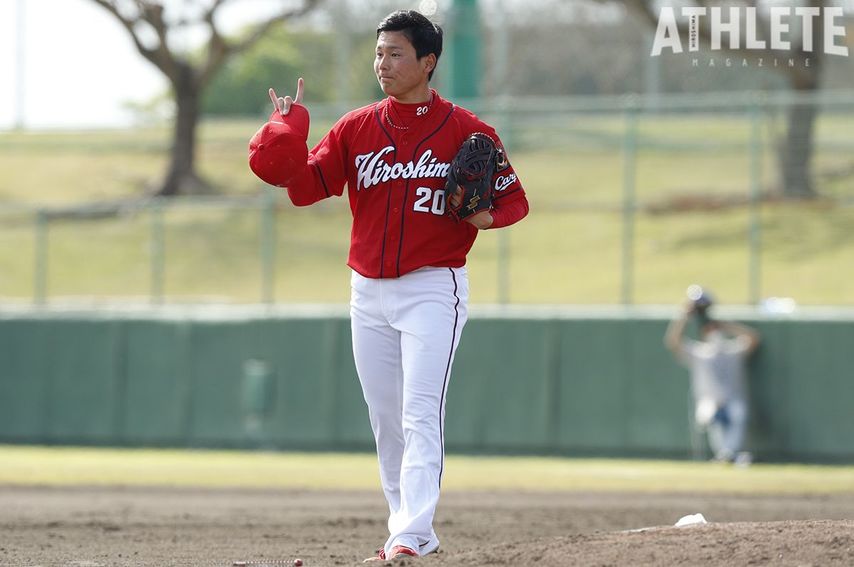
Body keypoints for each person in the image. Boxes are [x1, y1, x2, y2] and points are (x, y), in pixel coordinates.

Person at [249, 10, 529, 562]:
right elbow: (305, 188)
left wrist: (482, 219)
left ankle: (407, 533)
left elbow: (514, 201)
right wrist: (287, 134)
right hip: (368, 293)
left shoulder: (468, 131)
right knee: (385, 420)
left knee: (420, 411)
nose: (383, 63)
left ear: (428, 62)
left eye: (396, 53)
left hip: (432, 287)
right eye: (379, 53)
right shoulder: (357, 127)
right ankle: (411, 530)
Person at [664, 286, 761, 464]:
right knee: (711, 414)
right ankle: (726, 454)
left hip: (733, 400)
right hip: (709, 402)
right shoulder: (699, 353)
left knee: (737, 413)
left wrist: (725, 325)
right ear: (704, 333)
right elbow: (673, 342)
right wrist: (684, 314)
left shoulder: (733, 351)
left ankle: (728, 454)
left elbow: (754, 338)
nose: (713, 332)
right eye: (710, 329)